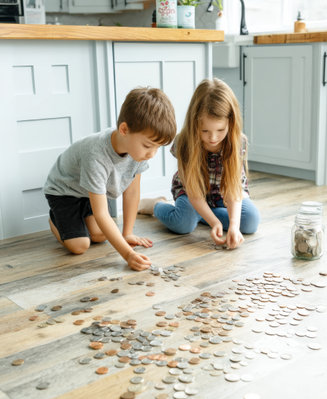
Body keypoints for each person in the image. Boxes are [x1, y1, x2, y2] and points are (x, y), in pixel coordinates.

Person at [44, 87, 176, 271]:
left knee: (99, 235)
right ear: (124, 129)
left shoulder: (137, 152)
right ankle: (55, 219)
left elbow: (132, 192)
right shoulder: (96, 155)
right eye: (148, 145)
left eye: (157, 147)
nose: (152, 154)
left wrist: (127, 233)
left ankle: (78, 221)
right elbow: (102, 214)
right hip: (64, 191)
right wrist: (128, 255)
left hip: (87, 191)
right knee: (80, 246)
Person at [138, 78, 260, 249]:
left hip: (223, 196)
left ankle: (200, 215)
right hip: (192, 193)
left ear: (230, 124)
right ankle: (154, 205)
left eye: (220, 130)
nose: (213, 138)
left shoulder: (237, 142)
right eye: (205, 131)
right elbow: (194, 194)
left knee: (250, 222)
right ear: (194, 123)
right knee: (183, 225)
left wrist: (233, 225)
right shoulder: (184, 142)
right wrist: (215, 223)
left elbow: (234, 191)